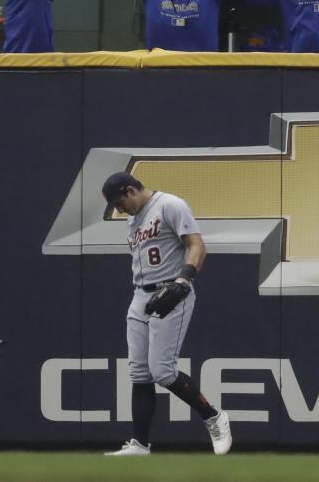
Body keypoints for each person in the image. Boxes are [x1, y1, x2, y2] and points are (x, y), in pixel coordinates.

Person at [101, 172, 232, 456]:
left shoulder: (169, 205)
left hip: (172, 291)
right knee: (139, 372)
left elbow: (197, 245)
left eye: (120, 202)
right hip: (140, 295)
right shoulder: (133, 221)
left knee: (162, 371)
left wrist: (184, 279)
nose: (120, 209)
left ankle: (213, 417)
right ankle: (140, 444)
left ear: (130, 190)